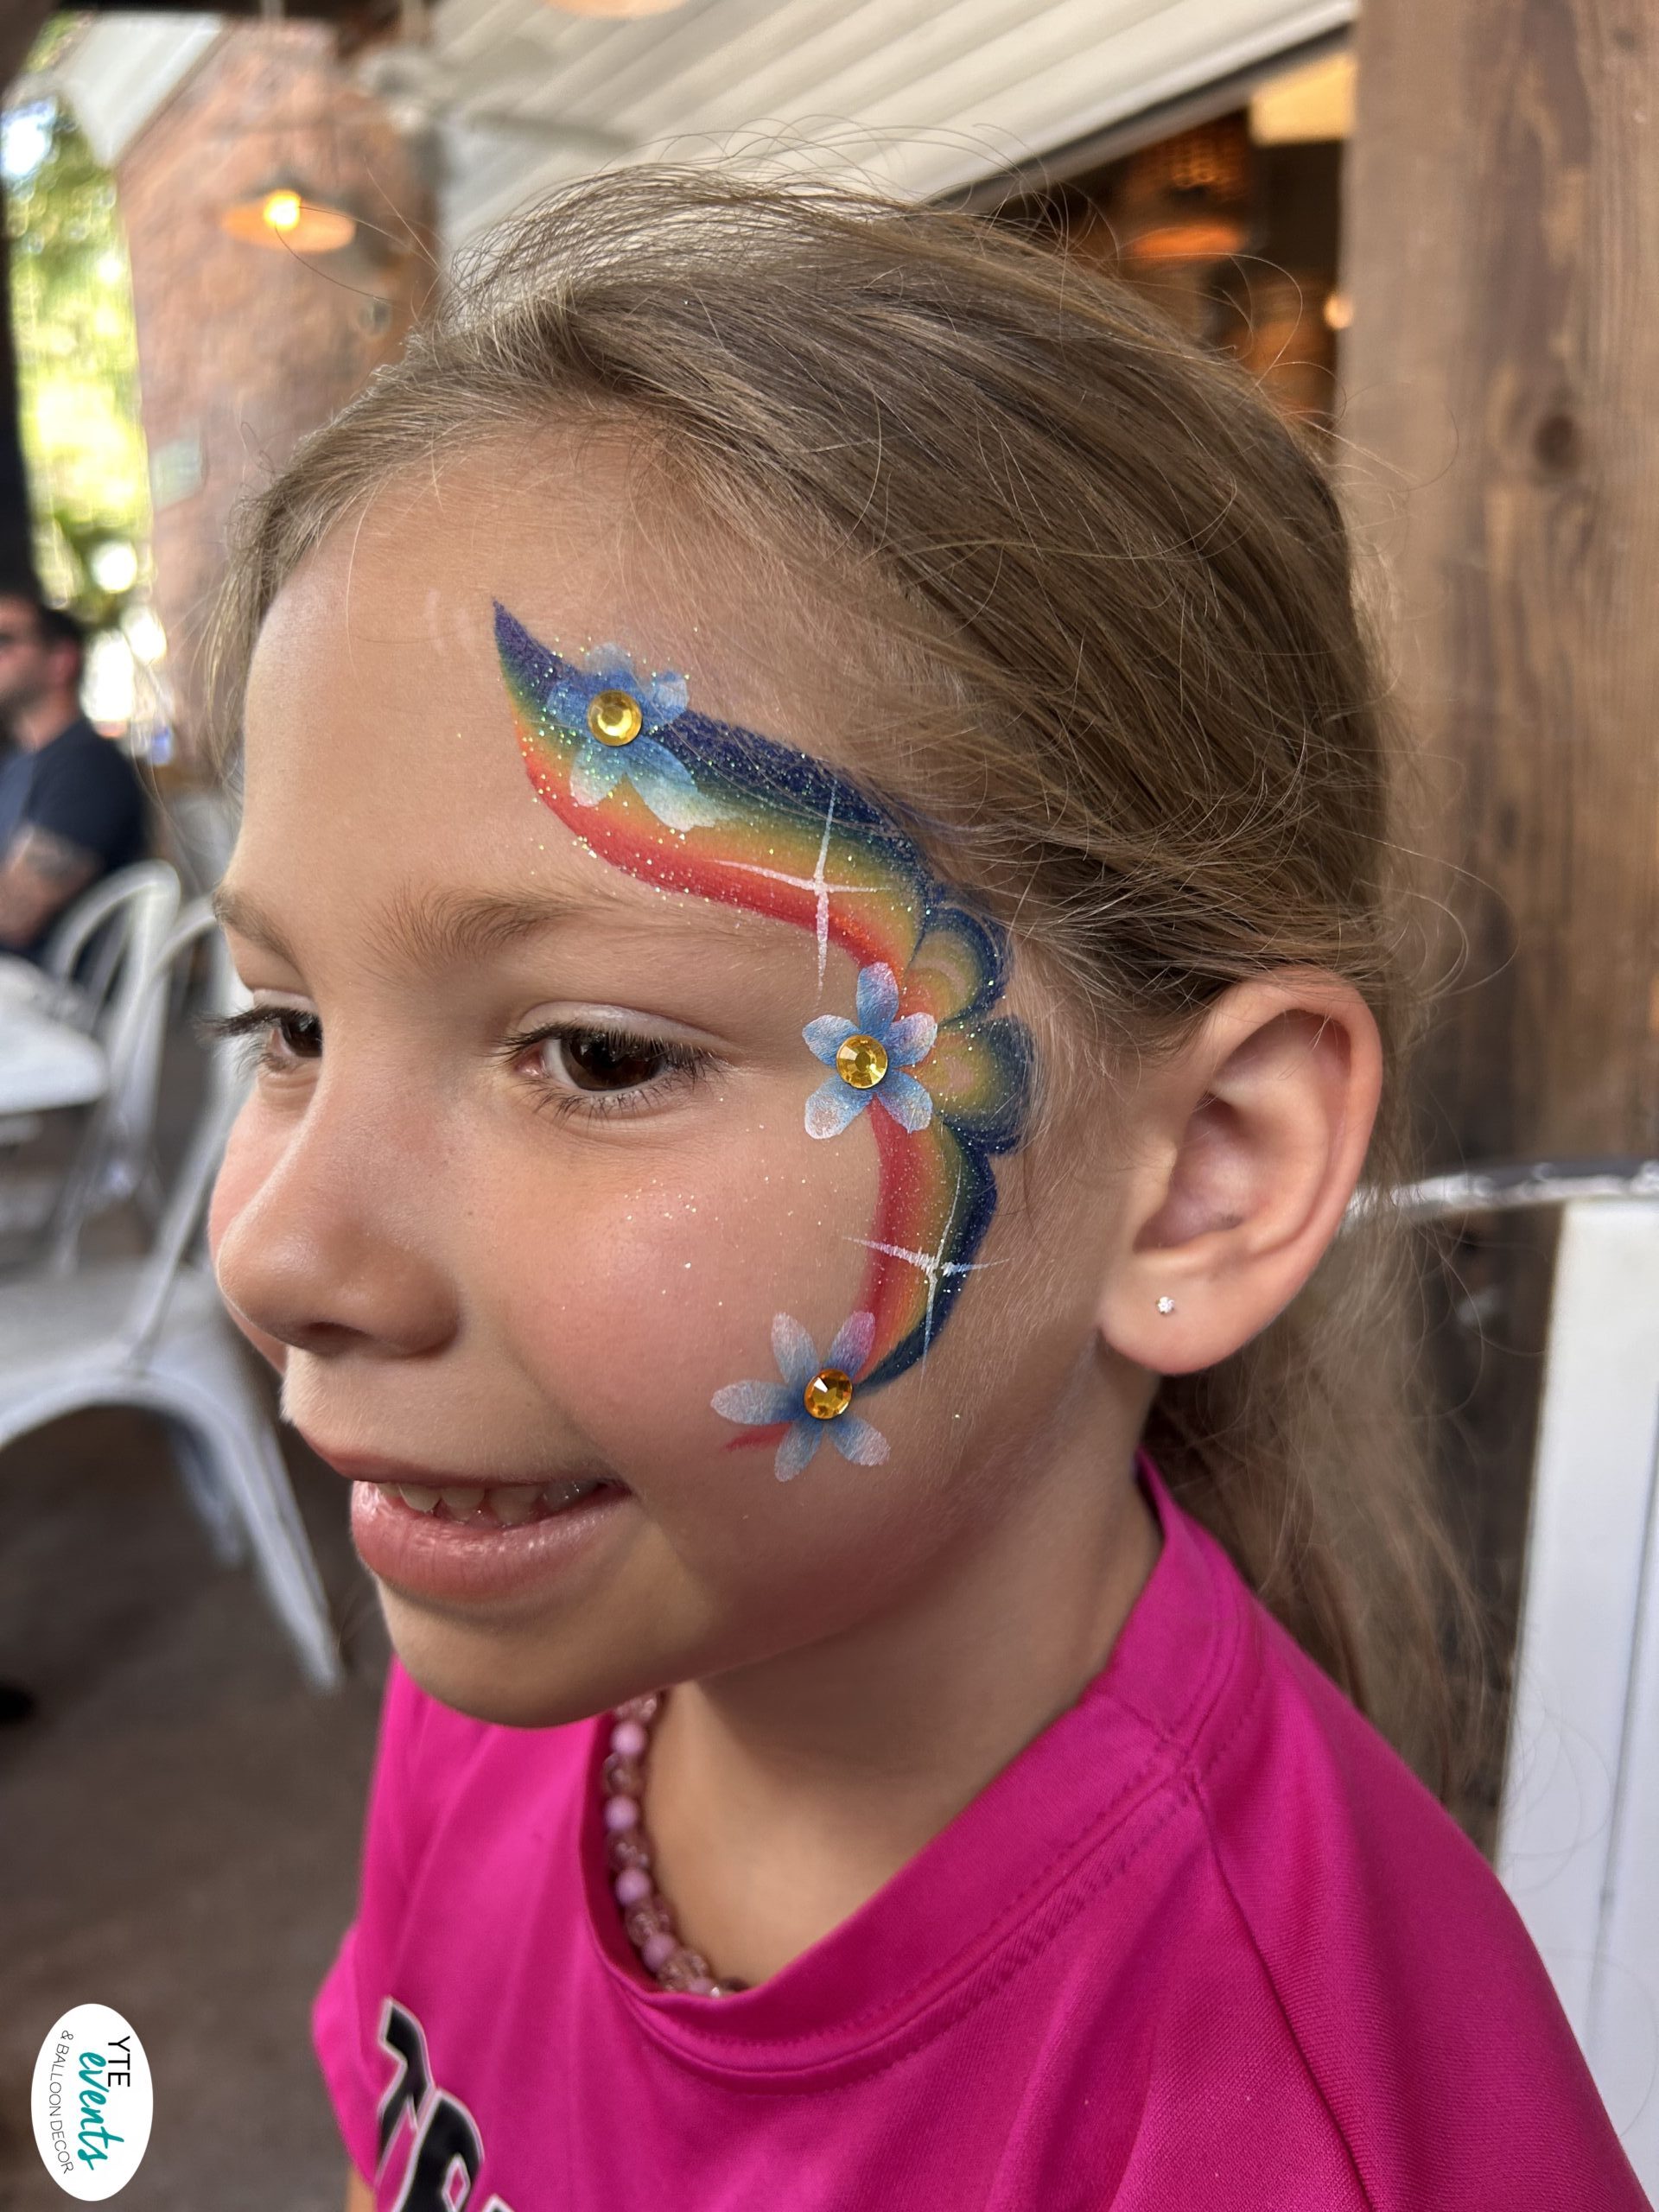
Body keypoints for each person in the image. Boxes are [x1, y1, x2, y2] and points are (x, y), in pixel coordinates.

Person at [203, 172, 1649, 2210]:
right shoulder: (532, 1640)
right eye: (280, 1027)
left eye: (599, 1053)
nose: (279, 1253)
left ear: (1200, 1177)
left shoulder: (1278, 2135)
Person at [0, 594, 148, 960]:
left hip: (53, 1000)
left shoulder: (87, 764)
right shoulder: (19, 764)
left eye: (4, 641)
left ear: (61, 662)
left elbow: (16, 915)